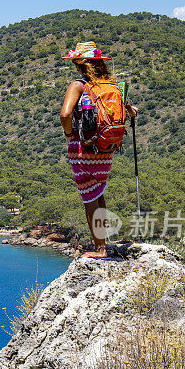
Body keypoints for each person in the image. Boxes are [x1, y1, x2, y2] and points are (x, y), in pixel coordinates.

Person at [59, 41, 137, 258]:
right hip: (106, 148)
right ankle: (102, 242)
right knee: (98, 193)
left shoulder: (79, 85)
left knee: (88, 197)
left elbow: (65, 115)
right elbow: (129, 110)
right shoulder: (111, 86)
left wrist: (69, 134)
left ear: (80, 64)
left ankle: (100, 248)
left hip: (84, 147)